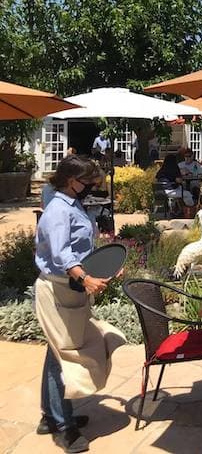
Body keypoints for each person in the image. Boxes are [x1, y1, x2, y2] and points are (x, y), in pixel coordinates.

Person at [33, 156, 126, 453]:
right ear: (71, 180)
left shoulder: (72, 204)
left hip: (70, 290)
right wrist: (86, 278)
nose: (93, 186)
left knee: (57, 352)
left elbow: (79, 249)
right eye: (89, 182)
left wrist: (101, 269)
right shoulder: (59, 211)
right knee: (67, 356)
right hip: (59, 291)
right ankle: (63, 427)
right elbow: (61, 255)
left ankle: (52, 416)